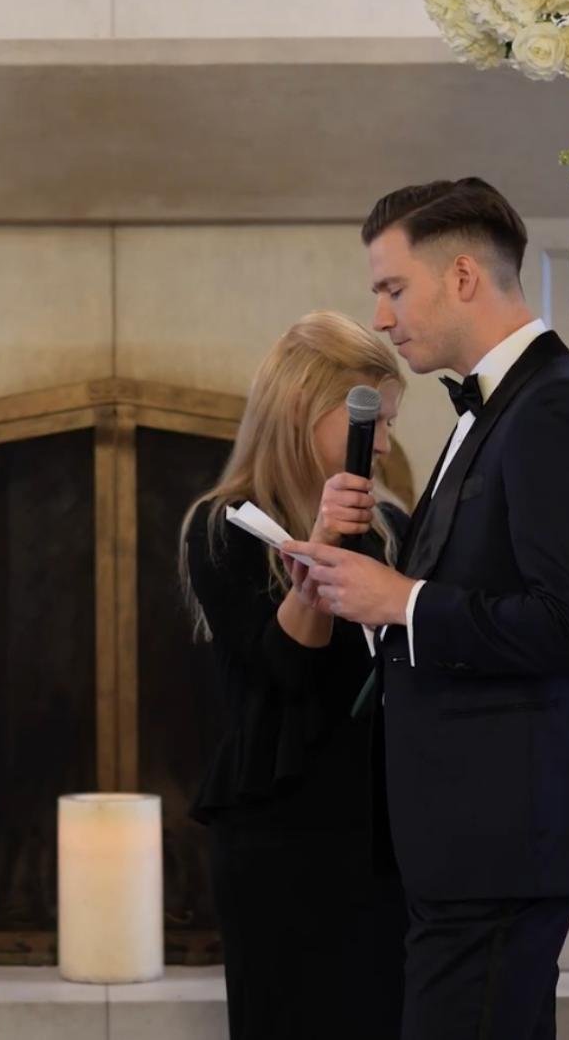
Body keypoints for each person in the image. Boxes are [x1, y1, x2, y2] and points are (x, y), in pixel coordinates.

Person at [290, 178, 569, 1040]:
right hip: (470, 833)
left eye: (392, 287)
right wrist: (366, 565)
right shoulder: (491, 410)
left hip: (503, 830)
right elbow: (478, 586)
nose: (379, 316)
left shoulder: (558, 408)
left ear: (461, 278)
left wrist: (403, 598)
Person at [180, 311, 409, 1039]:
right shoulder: (222, 527)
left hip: (378, 826)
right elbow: (283, 670)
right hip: (278, 832)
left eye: (391, 423)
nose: (384, 444)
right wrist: (319, 549)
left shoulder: (392, 527)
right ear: (303, 411)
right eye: (368, 420)